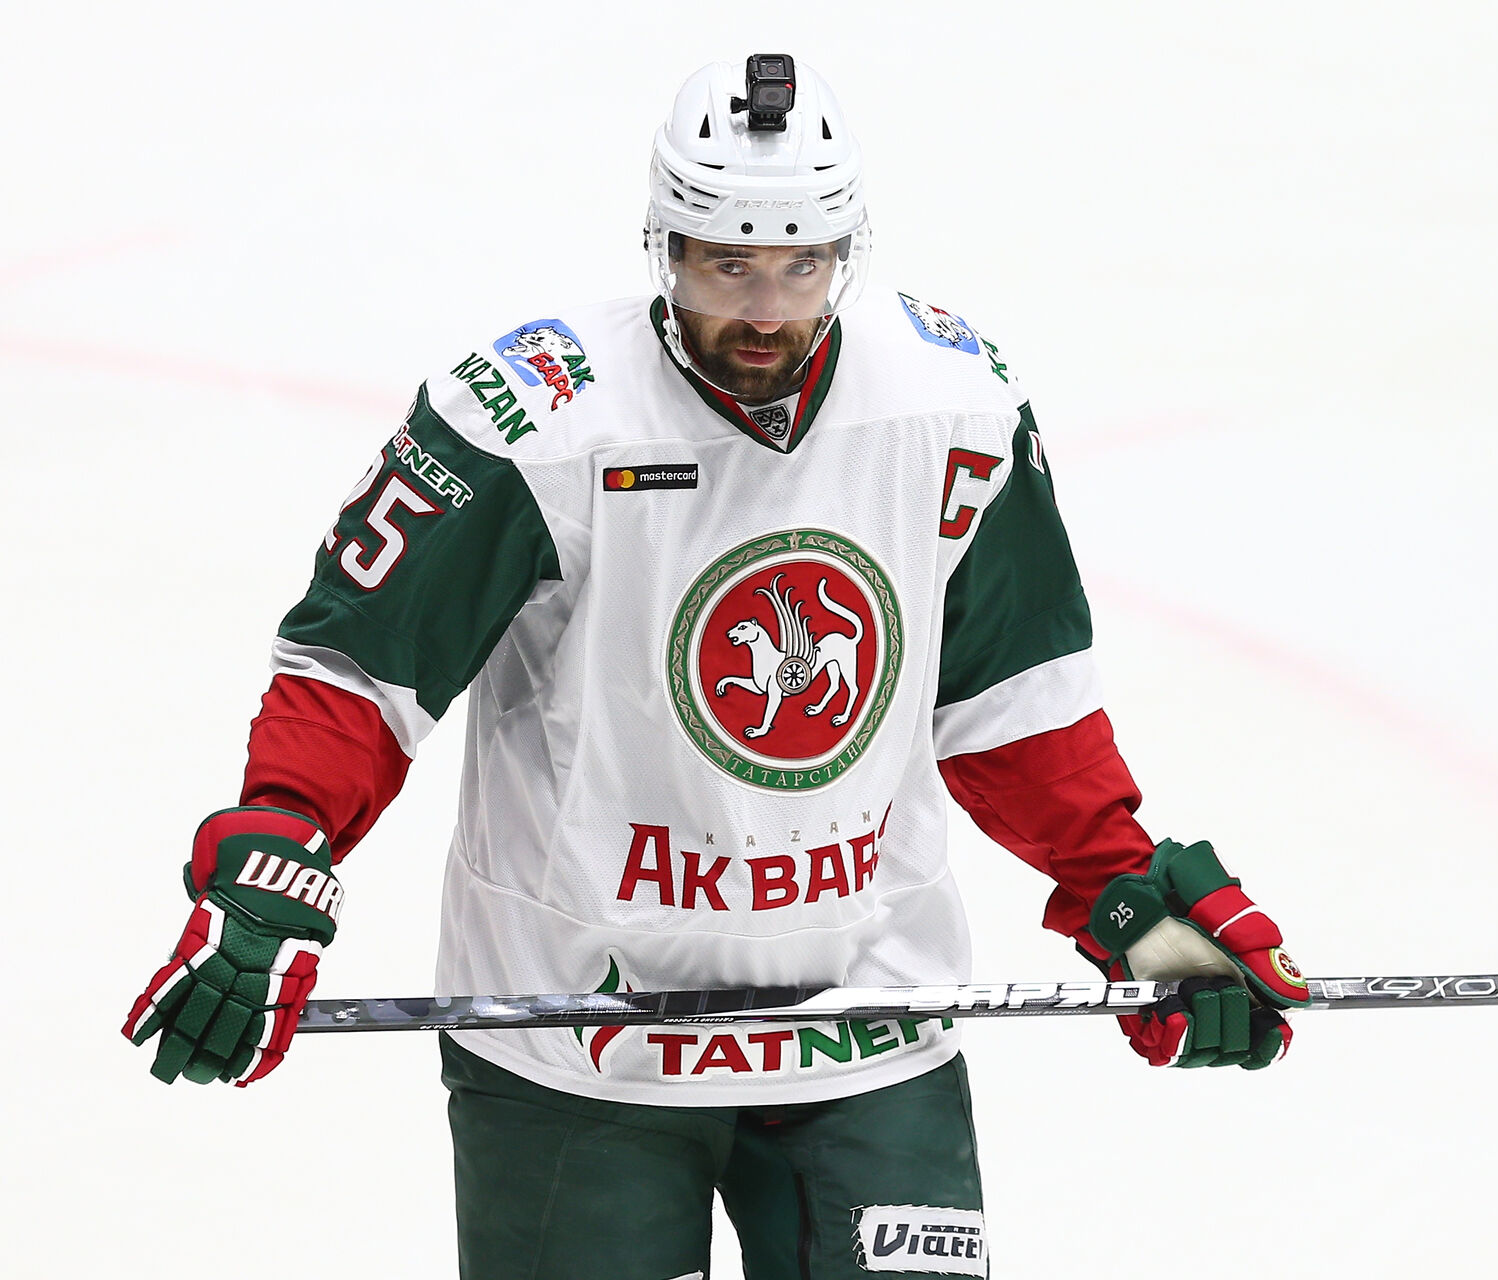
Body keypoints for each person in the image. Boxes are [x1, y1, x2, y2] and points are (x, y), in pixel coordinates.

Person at [123, 55, 1310, 1280]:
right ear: (665, 246)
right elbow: (360, 670)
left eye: (802, 266)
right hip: (578, 1036)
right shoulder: (534, 415)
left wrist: (1119, 883)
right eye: (726, 265)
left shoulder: (954, 402)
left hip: (867, 1022)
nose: (767, 309)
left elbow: (1012, 697)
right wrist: (280, 846)